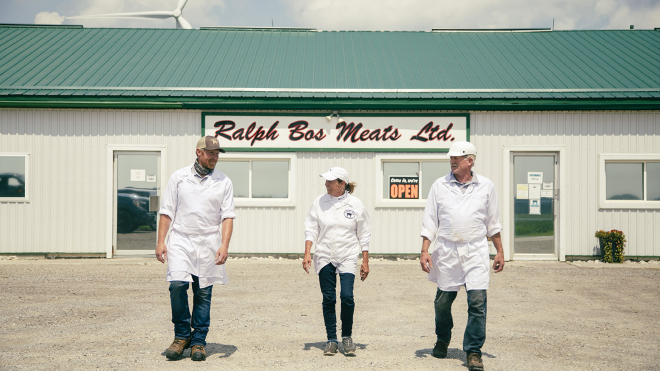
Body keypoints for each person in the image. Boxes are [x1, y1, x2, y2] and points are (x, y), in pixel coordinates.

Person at [419, 141, 505, 371]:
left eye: (458, 158)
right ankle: (442, 339)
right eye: (451, 158)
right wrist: (425, 250)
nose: (453, 161)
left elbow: (492, 222)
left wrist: (499, 251)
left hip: (476, 250)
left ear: (471, 160)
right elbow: (430, 222)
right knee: (442, 303)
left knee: (477, 303)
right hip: (447, 250)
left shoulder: (486, 186)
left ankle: (473, 351)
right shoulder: (439, 186)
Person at [155, 136, 236, 362]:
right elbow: (166, 211)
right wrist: (161, 241)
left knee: (203, 292)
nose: (214, 157)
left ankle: (199, 340)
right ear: (198, 152)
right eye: (211, 153)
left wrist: (224, 245)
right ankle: (181, 337)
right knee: (177, 285)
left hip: (209, 241)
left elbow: (227, 215)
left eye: (217, 153)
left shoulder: (223, 181)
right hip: (181, 239)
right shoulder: (179, 177)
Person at [302, 167, 372, 356]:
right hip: (324, 255)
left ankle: (347, 337)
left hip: (348, 255)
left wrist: (365, 261)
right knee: (329, 298)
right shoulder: (319, 202)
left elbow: (364, 234)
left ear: (342, 184)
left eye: (330, 181)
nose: (326, 184)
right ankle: (332, 339)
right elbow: (311, 228)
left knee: (347, 297)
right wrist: (307, 252)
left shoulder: (355, 204)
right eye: (326, 181)